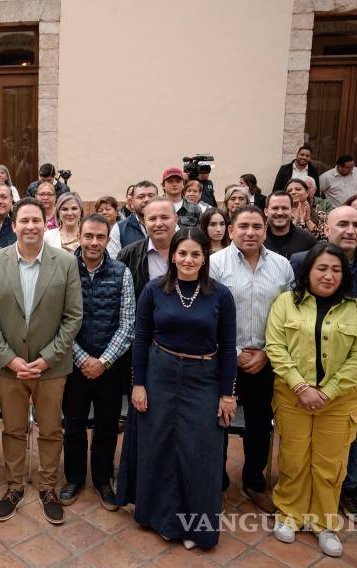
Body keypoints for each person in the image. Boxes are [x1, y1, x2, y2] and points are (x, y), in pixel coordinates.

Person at [116, 228, 236, 550]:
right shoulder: (154, 291)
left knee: (199, 452)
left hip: (203, 380)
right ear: (172, 256)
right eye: (182, 253)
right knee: (160, 447)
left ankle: (194, 526)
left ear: (204, 258)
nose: (188, 259)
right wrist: (137, 385)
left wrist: (227, 393)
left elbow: (228, 346)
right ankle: (162, 519)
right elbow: (140, 340)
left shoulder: (220, 295)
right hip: (160, 375)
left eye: (195, 254)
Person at [0, 198, 82, 525]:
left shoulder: (65, 263)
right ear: (14, 225)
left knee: (50, 428)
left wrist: (47, 358)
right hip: (9, 369)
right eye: (24, 220)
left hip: (51, 368)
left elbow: (73, 316)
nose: (30, 226)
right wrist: (8, 359)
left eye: (36, 220)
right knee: (13, 429)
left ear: (45, 223)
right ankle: (13, 486)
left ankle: (48, 486)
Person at [265, 242, 357, 558]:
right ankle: (289, 514)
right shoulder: (286, 303)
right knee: (294, 458)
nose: (328, 275)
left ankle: (324, 524)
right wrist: (302, 387)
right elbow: (276, 347)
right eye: (321, 268)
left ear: (344, 274)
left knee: (329, 464)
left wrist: (327, 391)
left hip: (337, 401)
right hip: (292, 396)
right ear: (308, 271)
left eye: (335, 270)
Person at [289, 206, 357, 523]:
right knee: (301, 439)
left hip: (354, 375)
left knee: (352, 433)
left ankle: (345, 491)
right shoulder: (299, 262)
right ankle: (300, 495)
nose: (350, 230)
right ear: (326, 229)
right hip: (304, 375)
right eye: (342, 224)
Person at [210, 206, 294, 512]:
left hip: (264, 360)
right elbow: (208, 314)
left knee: (259, 424)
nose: (250, 232)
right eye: (243, 226)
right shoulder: (215, 264)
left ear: (266, 230)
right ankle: (215, 479)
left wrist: (268, 354)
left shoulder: (282, 267)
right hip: (223, 359)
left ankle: (253, 477)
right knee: (219, 420)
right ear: (231, 230)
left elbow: (290, 316)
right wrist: (233, 354)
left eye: (257, 226)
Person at [60, 214, 134, 511]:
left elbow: (128, 323)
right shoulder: (64, 270)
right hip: (74, 366)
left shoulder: (122, 272)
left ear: (107, 239)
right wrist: (81, 358)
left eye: (99, 237)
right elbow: (58, 319)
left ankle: (103, 479)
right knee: (74, 425)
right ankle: (74, 478)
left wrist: (103, 361)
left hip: (110, 367)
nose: (93, 242)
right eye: (88, 236)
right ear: (79, 236)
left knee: (106, 426)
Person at [116, 198, 178, 302]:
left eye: (165, 217)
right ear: (145, 221)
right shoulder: (128, 255)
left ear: (176, 219)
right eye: (152, 219)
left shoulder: (193, 252)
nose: (158, 223)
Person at [107, 181, 158, 257]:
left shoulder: (169, 225)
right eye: (141, 197)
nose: (146, 200)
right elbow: (113, 262)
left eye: (151, 196)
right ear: (132, 202)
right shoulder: (119, 228)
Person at [265, 191, 317, 258]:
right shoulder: (258, 239)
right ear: (266, 212)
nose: (280, 213)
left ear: (292, 211)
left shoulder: (308, 240)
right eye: (275, 208)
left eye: (284, 208)